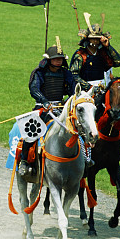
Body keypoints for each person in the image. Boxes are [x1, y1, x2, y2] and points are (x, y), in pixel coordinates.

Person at [17, 43, 89, 178]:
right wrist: (44, 101)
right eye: (56, 58)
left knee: (79, 127)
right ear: (49, 59)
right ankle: (25, 161)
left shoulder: (66, 73)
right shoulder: (39, 73)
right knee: (32, 132)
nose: (59, 61)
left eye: (61, 59)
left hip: (60, 108)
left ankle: (85, 158)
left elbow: (73, 89)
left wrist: (71, 100)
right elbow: (34, 89)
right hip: (42, 108)